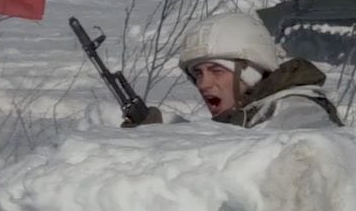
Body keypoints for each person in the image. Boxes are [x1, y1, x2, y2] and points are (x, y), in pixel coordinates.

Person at [127, 13, 343, 129]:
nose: (203, 84)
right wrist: (158, 130)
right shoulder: (253, 114)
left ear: (251, 72)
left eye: (216, 70)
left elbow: (305, 145)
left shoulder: (296, 110)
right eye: (198, 73)